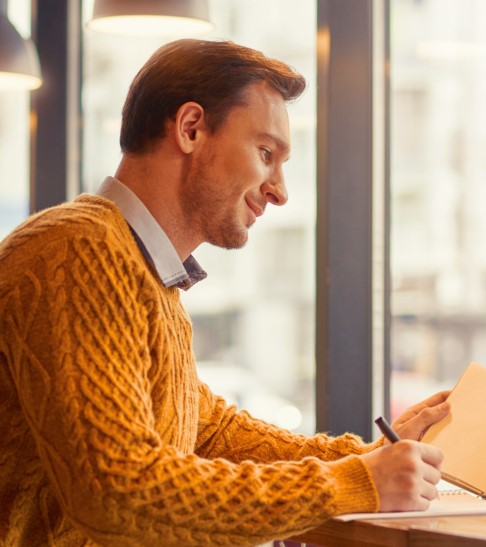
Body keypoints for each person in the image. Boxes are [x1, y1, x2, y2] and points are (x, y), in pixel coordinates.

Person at [0, 39, 450, 546]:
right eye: (265, 154)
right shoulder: (78, 252)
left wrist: (368, 457)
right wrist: (355, 481)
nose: (280, 190)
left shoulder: (140, 269)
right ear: (191, 128)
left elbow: (210, 432)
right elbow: (116, 492)